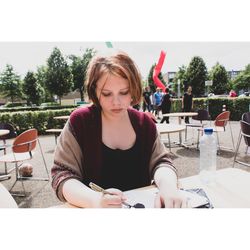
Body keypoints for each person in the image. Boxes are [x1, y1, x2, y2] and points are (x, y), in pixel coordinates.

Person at [51, 52, 187, 208]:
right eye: (106, 94)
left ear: (134, 89)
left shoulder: (145, 124)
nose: (116, 101)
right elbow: (62, 174)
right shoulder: (81, 122)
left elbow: (162, 163)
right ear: (95, 91)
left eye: (124, 92)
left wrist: (169, 187)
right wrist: (95, 200)